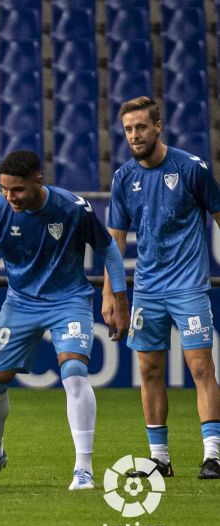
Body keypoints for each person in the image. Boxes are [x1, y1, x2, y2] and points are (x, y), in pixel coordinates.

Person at [0, 150, 130, 491]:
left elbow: (110, 250)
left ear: (39, 181)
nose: (10, 197)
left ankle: (83, 468)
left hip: (69, 300)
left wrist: (116, 296)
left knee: (74, 373)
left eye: (18, 190)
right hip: (20, 302)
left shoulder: (73, 208)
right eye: (5, 189)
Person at [102, 96, 220, 480]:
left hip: (188, 287)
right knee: (149, 371)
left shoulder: (191, 169)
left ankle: (213, 455)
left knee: (201, 368)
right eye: (128, 129)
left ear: (158, 127)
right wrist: (111, 295)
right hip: (148, 290)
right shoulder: (124, 179)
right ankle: (159, 460)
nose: (134, 135)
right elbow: (114, 242)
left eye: (141, 127)